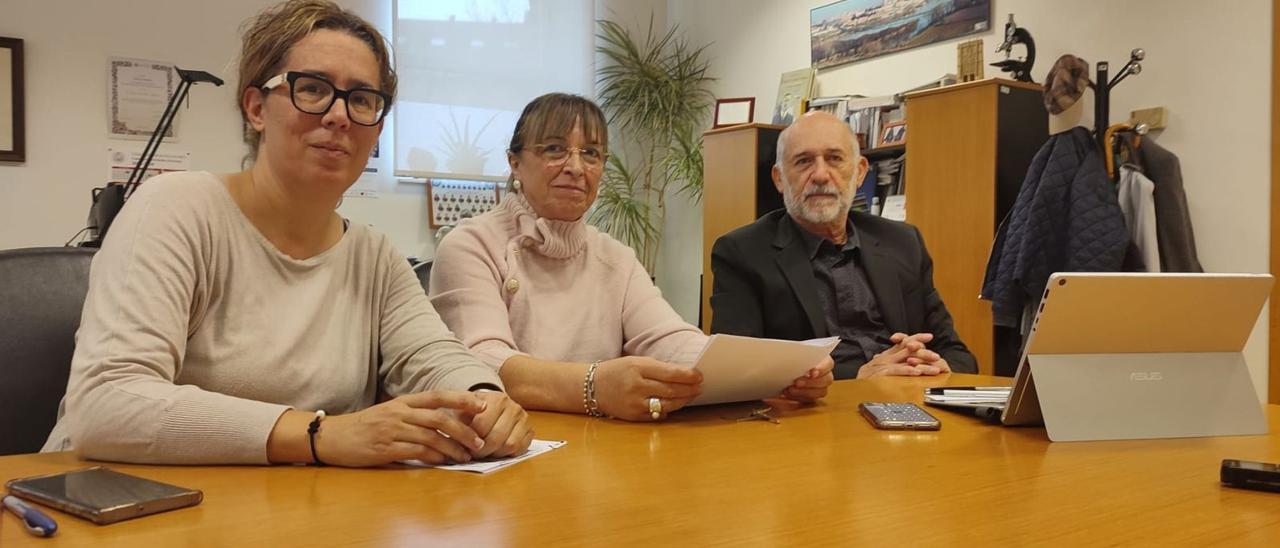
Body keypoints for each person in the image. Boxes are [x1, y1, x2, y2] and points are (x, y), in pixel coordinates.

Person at [42, 0, 532, 466]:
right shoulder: (174, 210)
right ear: (256, 109)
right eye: (313, 88)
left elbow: (432, 354)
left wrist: (482, 398)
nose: (339, 115)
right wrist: (322, 435)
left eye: (362, 99)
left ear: (376, 131)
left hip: (278, 508)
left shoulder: (373, 254)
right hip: (100, 504)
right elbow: (107, 403)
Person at [429, 93, 834, 422]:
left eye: (590, 153)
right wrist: (594, 386)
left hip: (597, 451)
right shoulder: (469, 245)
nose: (575, 167)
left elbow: (670, 339)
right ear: (514, 162)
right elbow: (480, 361)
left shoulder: (614, 257)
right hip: (500, 450)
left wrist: (780, 371)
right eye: (554, 149)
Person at [710, 111, 977, 380]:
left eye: (834, 159)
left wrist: (935, 366)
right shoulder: (742, 253)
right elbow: (737, 369)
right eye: (803, 162)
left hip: (908, 401)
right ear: (779, 178)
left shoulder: (903, 243)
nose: (821, 175)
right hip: (815, 413)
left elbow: (957, 354)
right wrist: (861, 377)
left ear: (860, 172)